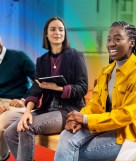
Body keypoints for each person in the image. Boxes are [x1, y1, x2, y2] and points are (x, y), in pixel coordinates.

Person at [54, 21, 136, 161]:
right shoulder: (106, 71)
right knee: (66, 135)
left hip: (129, 136)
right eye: (109, 39)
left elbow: (126, 115)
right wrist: (77, 118)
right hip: (104, 125)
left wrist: (85, 119)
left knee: (72, 150)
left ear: (131, 42)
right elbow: (95, 105)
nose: (111, 43)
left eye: (117, 39)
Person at [4, 17, 88, 161]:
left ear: (65, 33)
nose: (58, 32)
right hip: (47, 109)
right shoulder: (42, 60)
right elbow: (35, 89)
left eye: (61, 29)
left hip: (68, 110)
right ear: (46, 34)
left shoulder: (75, 56)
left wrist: (59, 88)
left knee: (27, 128)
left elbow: (83, 88)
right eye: (53, 29)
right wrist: (27, 113)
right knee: (9, 133)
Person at [0, 37, 35, 161]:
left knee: (1, 124)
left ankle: (2, 156)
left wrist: (23, 99)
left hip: (17, 103)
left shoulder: (19, 57)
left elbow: (39, 81)